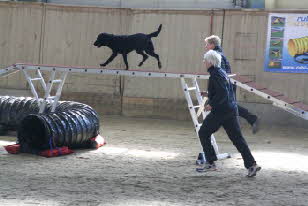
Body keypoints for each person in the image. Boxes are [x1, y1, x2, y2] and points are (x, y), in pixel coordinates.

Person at [197, 50, 261, 177]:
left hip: (220, 111)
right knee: (238, 139)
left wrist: (211, 104)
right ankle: (251, 165)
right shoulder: (222, 73)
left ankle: (210, 162)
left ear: (210, 61)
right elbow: (224, 92)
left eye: (205, 60)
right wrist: (208, 94)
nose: (204, 62)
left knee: (203, 132)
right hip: (231, 111)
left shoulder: (215, 74)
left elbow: (223, 94)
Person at [204, 35, 259, 134]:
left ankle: (250, 120)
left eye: (207, 44)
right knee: (229, 105)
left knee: (227, 105)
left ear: (212, 44)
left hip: (225, 84)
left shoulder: (215, 54)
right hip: (227, 83)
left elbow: (220, 72)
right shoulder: (219, 53)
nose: (205, 46)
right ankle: (249, 120)